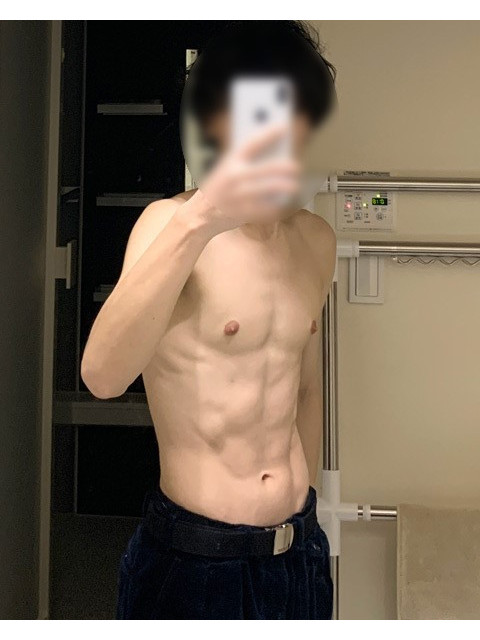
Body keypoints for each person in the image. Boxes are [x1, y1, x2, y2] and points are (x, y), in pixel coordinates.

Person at [81, 20, 337, 620]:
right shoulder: (166, 227)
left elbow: (303, 387)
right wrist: (198, 222)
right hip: (196, 561)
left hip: (297, 553)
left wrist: (308, 509)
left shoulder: (315, 240)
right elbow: (102, 376)